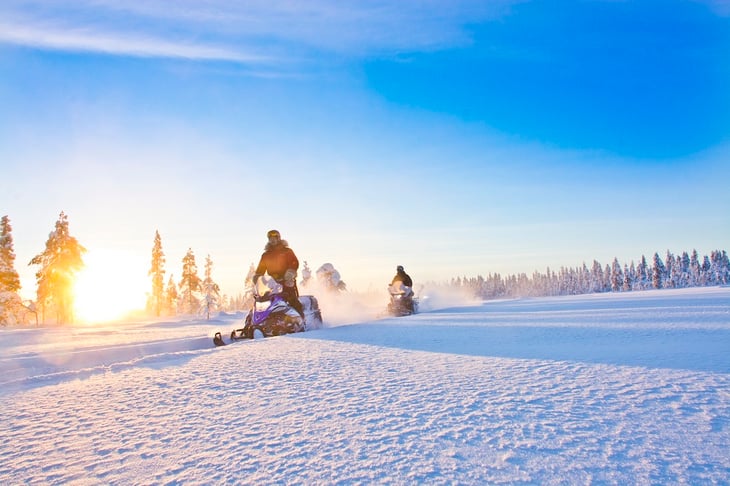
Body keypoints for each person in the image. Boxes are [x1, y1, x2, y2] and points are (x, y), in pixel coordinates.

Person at [253, 229, 305, 317]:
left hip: (286, 281)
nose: (272, 240)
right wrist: (257, 278)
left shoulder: (287, 251)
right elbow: (260, 269)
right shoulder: (266, 255)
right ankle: (257, 321)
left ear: (278, 238)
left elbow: (294, 262)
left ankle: (301, 320)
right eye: (270, 238)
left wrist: (290, 272)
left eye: (274, 238)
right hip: (272, 284)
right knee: (263, 301)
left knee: (292, 299)